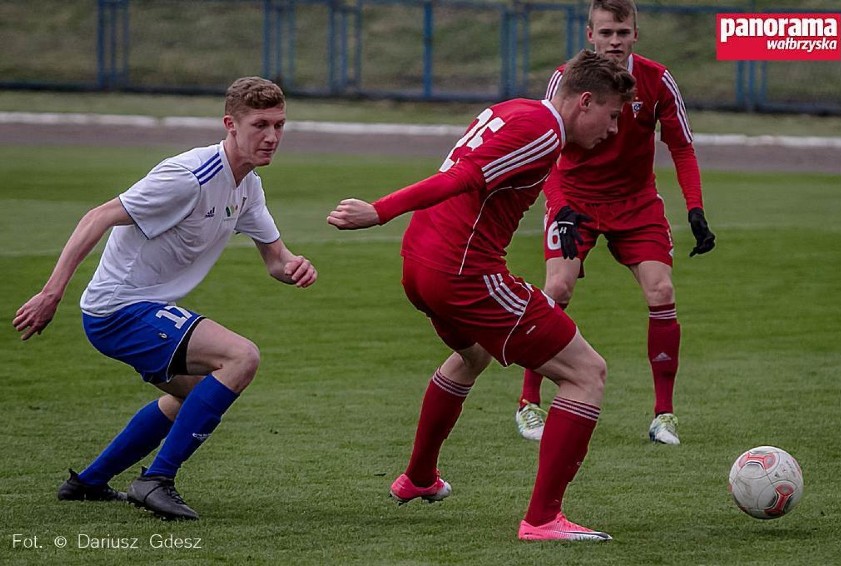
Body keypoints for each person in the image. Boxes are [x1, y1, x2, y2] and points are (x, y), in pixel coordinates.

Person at [328, 50, 635, 541]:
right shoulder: (545, 130)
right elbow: (462, 178)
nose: (614, 129)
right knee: (587, 373)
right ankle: (542, 520)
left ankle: (419, 479)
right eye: (613, 115)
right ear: (584, 102)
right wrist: (380, 211)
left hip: (420, 265)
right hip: (463, 273)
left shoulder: (515, 110)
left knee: (471, 355)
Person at [12, 76, 317, 521]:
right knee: (241, 358)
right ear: (230, 125)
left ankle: (88, 483)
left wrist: (294, 268)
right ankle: (156, 480)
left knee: (190, 398)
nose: (272, 137)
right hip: (119, 309)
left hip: (143, 308)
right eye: (260, 125)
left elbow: (276, 260)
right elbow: (97, 217)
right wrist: (51, 293)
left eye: (279, 125)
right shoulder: (188, 176)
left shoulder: (248, 185)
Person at [514, 0, 716, 445]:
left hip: (635, 203)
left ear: (635, 35)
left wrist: (695, 209)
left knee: (662, 290)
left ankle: (664, 415)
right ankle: (529, 404)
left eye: (622, 32)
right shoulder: (566, 80)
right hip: (576, 199)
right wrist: (559, 204)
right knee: (558, 288)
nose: (614, 41)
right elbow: (546, 143)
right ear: (590, 35)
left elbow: (681, 146)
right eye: (606, 32)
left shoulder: (658, 80)